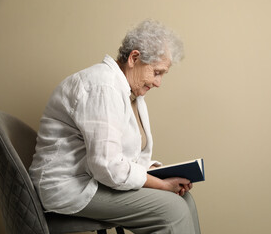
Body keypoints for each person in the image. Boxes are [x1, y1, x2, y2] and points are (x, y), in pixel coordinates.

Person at [29, 19, 201, 234]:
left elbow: (120, 158)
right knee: (173, 211)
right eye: (157, 72)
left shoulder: (129, 92)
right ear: (134, 58)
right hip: (70, 187)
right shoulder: (102, 86)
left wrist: (157, 173)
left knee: (186, 201)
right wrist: (162, 185)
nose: (158, 83)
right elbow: (107, 166)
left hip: (95, 179)